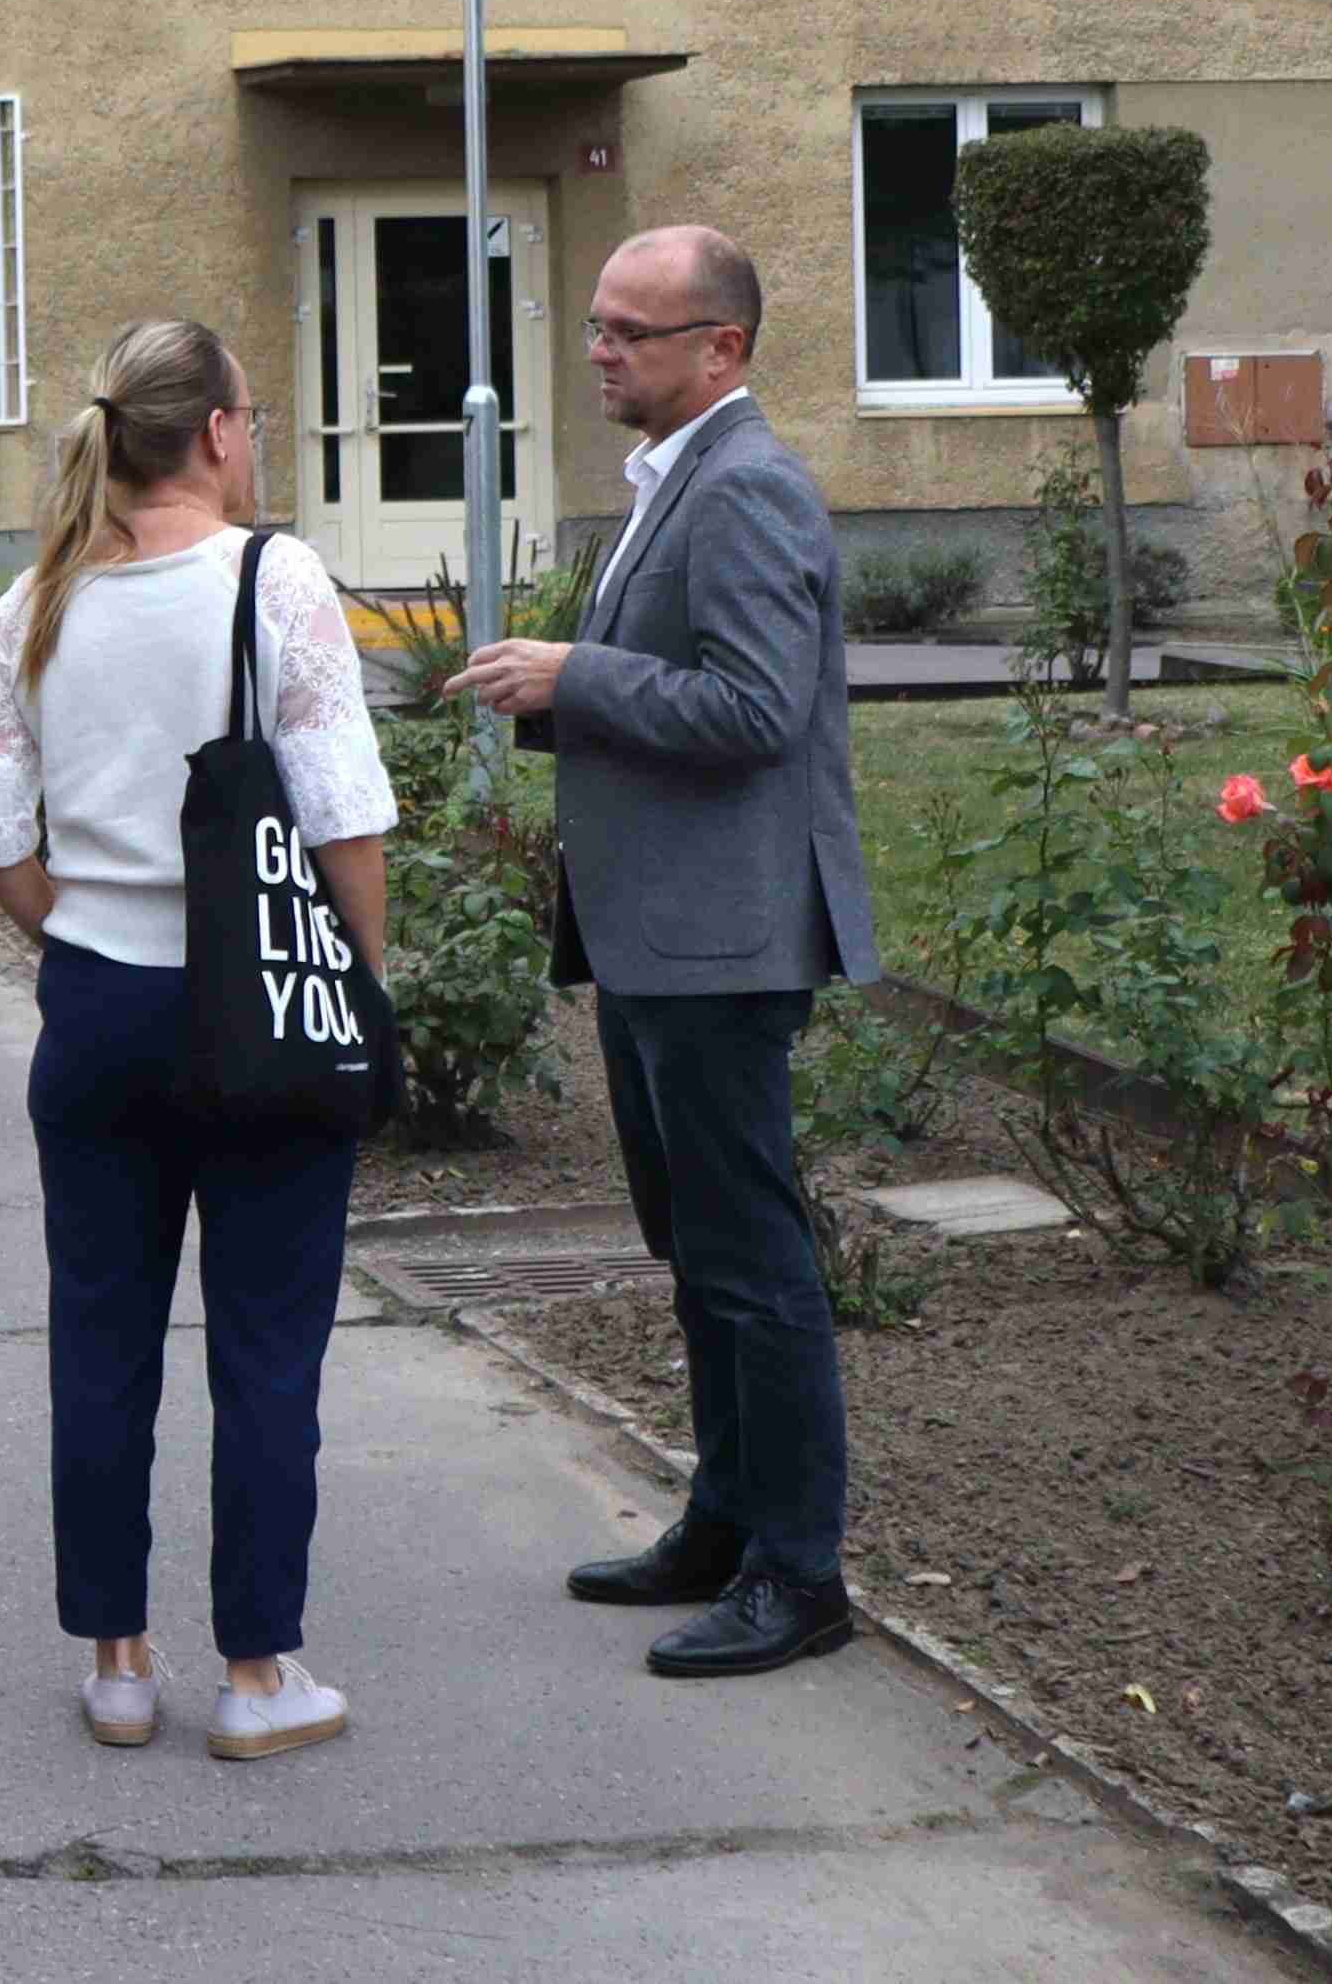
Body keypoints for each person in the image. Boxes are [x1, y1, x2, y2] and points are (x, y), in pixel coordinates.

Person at [0, 319, 395, 1764]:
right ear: (216, 432)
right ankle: (256, 1673)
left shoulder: (39, 598)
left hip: (98, 1008)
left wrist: (73, 930)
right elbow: (344, 815)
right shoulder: (273, 579)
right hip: (259, 1012)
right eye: (249, 415)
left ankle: (117, 1664)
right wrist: (357, 984)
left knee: (99, 1335)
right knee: (266, 1349)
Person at [456, 224, 876, 1684]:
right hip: (663, 937)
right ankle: (723, 1522)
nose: (598, 351)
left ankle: (798, 1571)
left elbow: (756, 709)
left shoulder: (745, 483)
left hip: (722, 943)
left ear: (721, 348)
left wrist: (574, 673)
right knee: (696, 1250)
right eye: (595, 323)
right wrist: (566, 689)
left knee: (750, 1262)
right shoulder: (672, 474)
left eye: (629, 331)